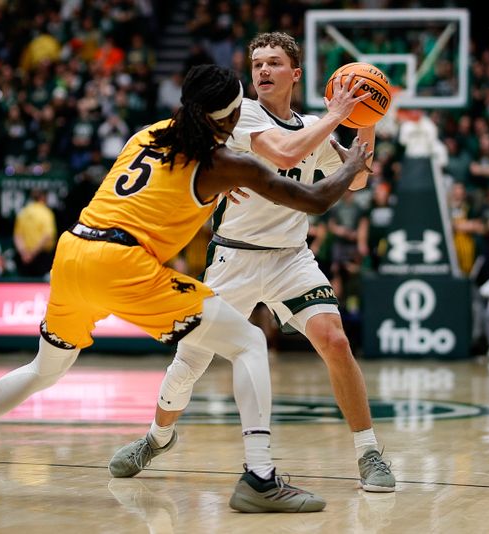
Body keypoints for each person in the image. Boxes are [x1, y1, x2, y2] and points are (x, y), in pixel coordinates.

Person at [0, 64, 375, 513]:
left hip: (74, 252)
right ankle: (260, 477)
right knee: (250, 341)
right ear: (232, 116)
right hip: (124, 263)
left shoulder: (144, 134)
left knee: (43, 369)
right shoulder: (225, 163)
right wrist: (351, 159)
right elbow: (314, 198)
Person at [112, 32, 395, 494]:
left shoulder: (311, 124)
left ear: (295, 74)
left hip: (290, 257)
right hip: (233, 257)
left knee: (335, 340)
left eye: (274, 63)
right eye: (258, 63)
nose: (263, 71)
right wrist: (337, 116)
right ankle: (156, 438)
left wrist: (368, 118)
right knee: (190, 362)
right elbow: (285, 152)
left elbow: (357, 181)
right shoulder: (243, 115)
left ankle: (369, 452)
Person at [13, 189, 57, 278]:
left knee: (24, 285)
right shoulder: (46, 212)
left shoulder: (23, 212)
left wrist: (24, 253)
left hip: (24, 258)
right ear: (43, 198)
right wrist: (32, 254)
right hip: (41, 258)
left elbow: (17, 236)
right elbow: (47, 236)